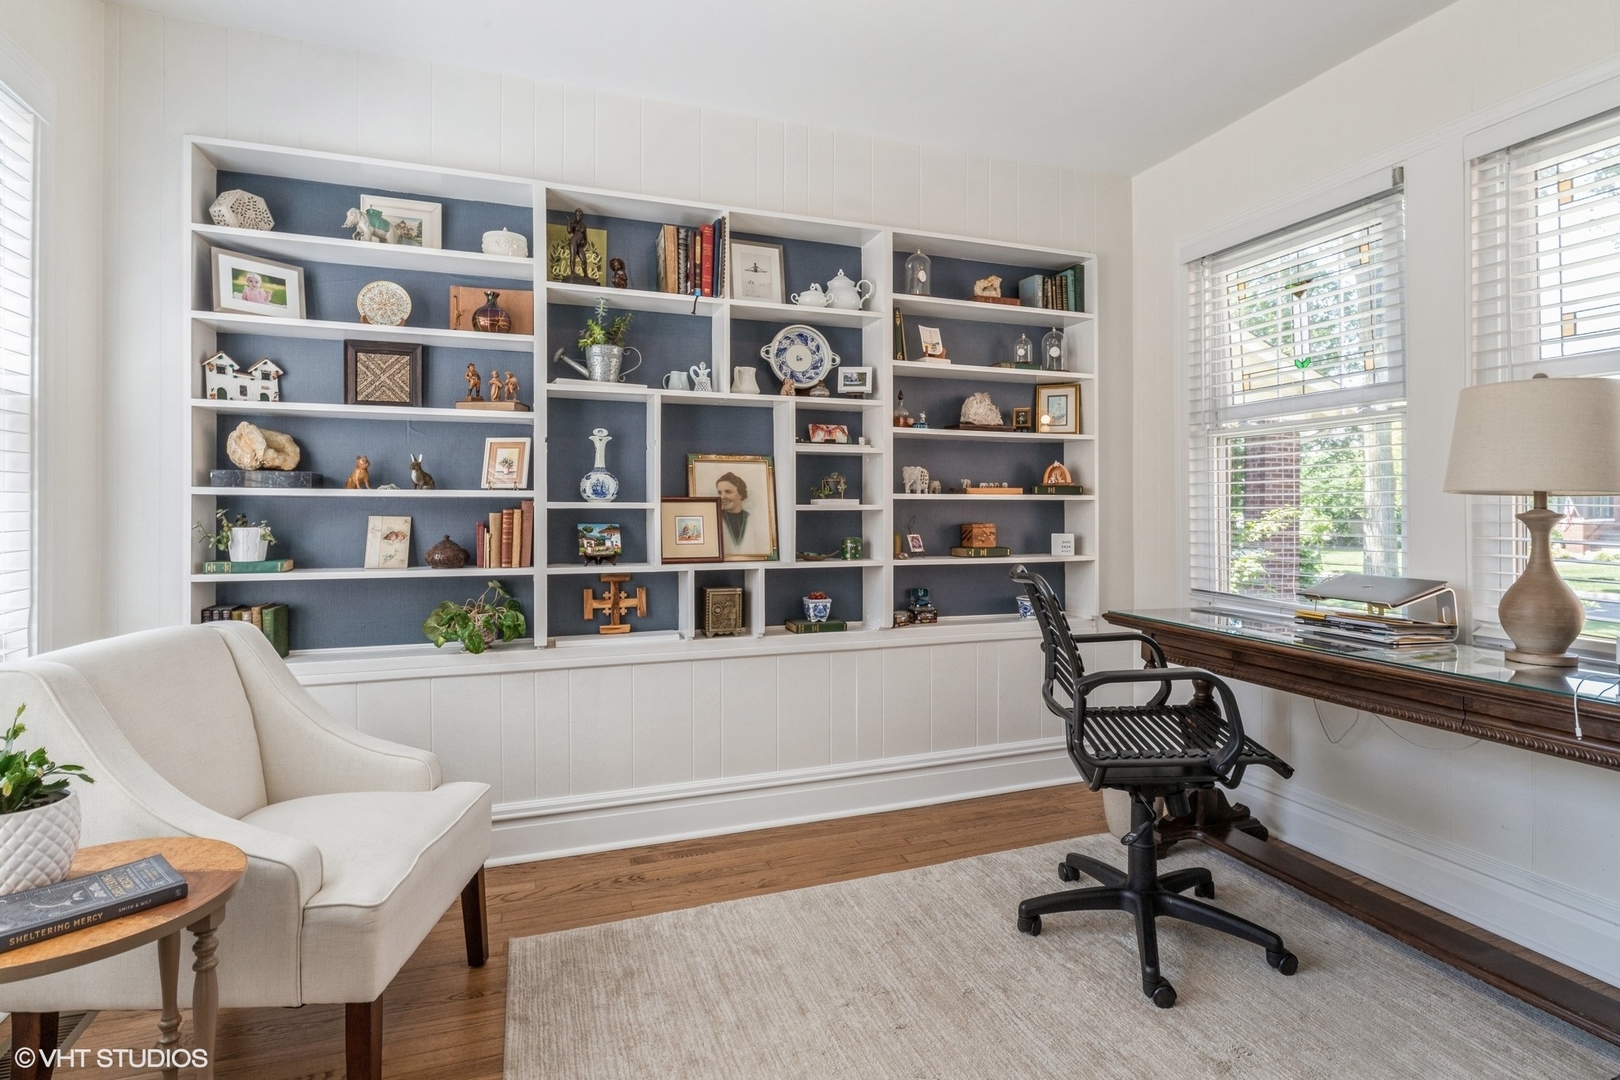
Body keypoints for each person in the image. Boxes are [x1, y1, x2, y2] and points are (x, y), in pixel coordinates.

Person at [716, 471, 771, 557]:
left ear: (740, 494)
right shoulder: (715, 518)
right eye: (720, 493)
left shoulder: (753, 519)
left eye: (728, 492)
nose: (722, 497)